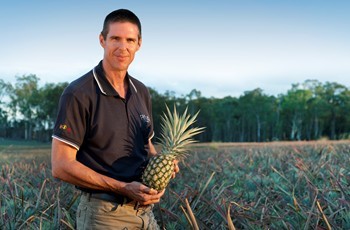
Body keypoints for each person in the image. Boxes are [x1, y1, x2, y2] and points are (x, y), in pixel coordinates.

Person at [51, 9, 179, 229]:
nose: (123, 47)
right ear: (102, 40)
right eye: (115, 39)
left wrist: (163, 164)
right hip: (103, 215)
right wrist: (122, 187)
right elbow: (61, 165)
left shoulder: (141, 91)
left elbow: (146, 144)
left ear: (139, 44)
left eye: (130, 40)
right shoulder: (79, 93)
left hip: (144, 212)